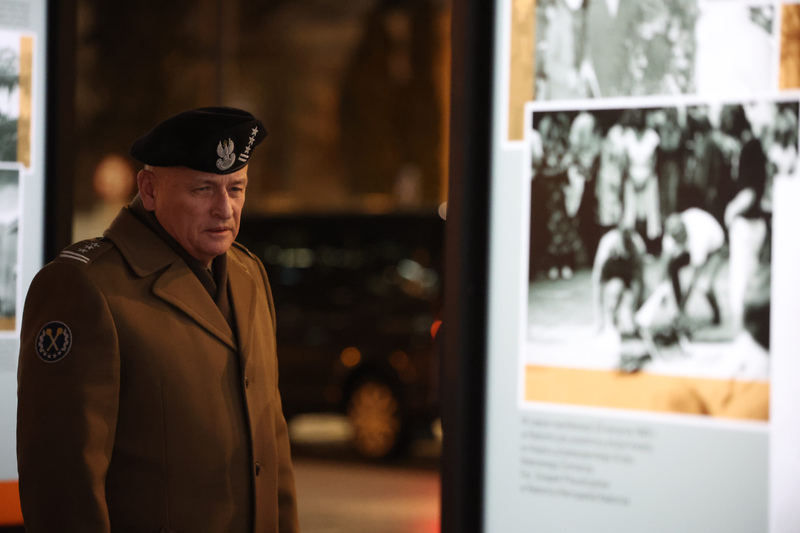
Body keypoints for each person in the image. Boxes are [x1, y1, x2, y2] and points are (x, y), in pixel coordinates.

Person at [17, 107, 300, 533]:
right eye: (203, 189)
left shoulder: (248, 276)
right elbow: (62, 482)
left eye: (236, 189)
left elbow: (272, 444)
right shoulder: (85, 288)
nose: (224, 209)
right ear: (148, 190)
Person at [661, 207, 726, 327]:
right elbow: (665, 262)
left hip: (715, 249)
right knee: (673, 266)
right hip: (692, 248)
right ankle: (680, 309)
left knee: (704, 284)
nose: (676, 243)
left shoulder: (698, 235)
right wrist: (661, 291)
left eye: (678, 239)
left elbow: (694, 278)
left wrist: (683, 305)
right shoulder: (672, 234)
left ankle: (717, 316)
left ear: (683, 230)